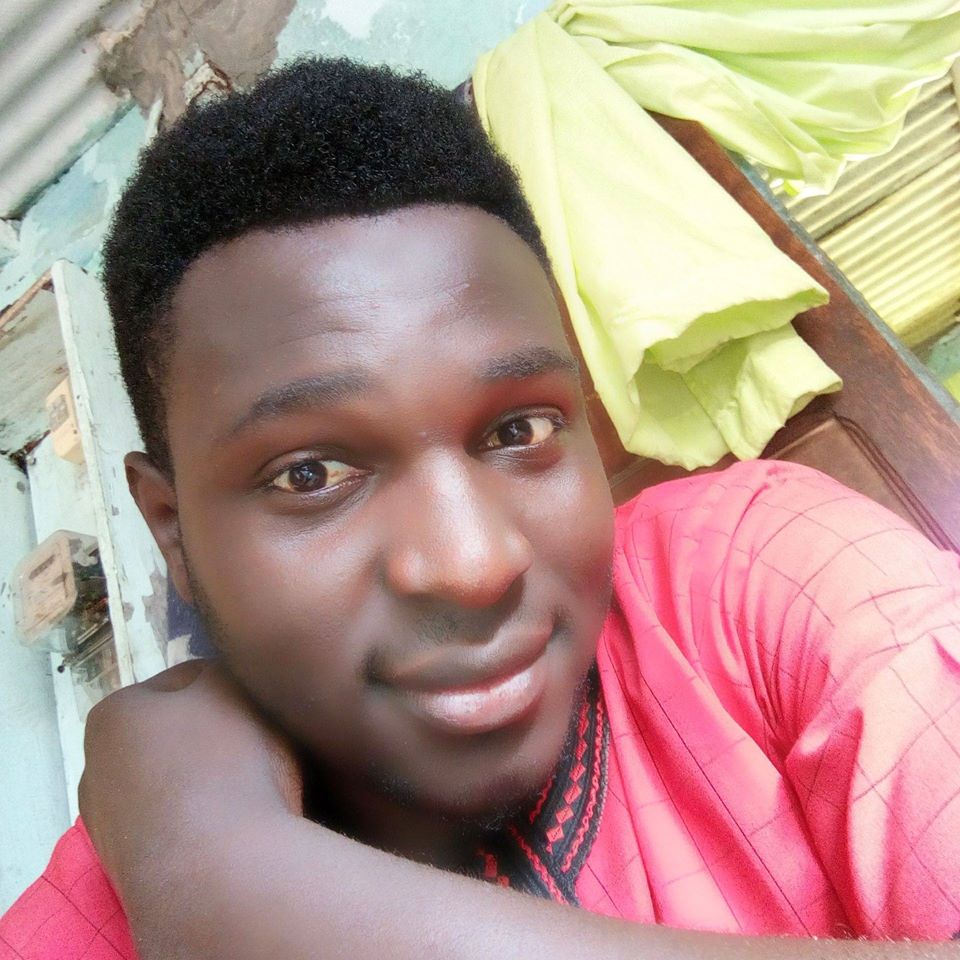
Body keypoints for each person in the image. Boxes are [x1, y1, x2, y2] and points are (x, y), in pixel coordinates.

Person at [2, 56, 960, 960]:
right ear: (171, 529)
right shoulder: (93, 918)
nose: (472, 564)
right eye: (310, 474)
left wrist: (231, 885)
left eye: (518, 430)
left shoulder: (760, 578)